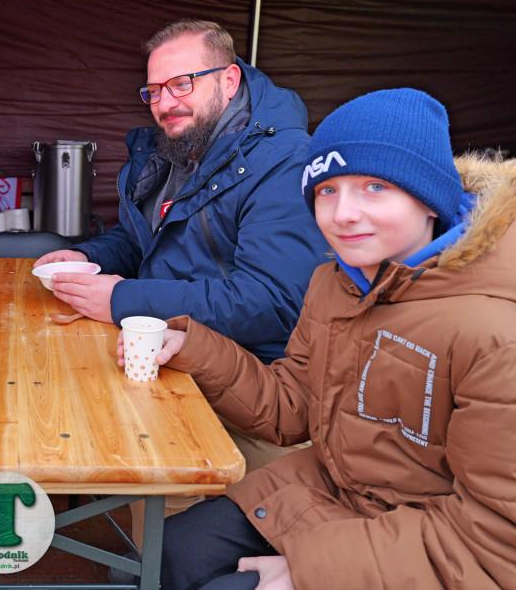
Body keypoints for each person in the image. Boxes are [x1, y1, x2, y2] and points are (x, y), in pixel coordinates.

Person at [140, 89, 516, 589]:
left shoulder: (494, 332)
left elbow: (496, 541)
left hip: (431, 537)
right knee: (163, 557)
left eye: (375, 187)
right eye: (327, 190)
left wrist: (308, 573)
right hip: (334, 490)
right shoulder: (336, 282)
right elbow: (293, 407)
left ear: (431, 198)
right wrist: (192, 349)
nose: (342, 214)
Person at [36, 19, 328, 551]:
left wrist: (122, 299)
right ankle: (127, 545)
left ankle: (152, 557)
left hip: (256, 385)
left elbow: (271, 302)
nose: (165, 103)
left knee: (151, 489)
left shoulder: (284, 161)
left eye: (181, 83)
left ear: (229, 80)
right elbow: (139, 240)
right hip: (170, 351)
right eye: (153, 90)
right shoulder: (172, 150)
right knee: (53, 389)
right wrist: (88, 257)